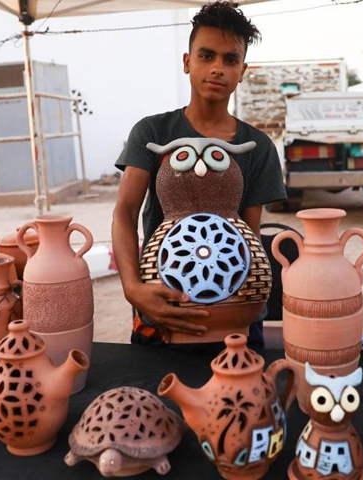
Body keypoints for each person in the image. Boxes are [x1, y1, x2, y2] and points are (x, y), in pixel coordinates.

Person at [112, 1, 286, 350]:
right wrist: (133, 288)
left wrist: (245, 300)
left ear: (242, 70)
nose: (217, 68)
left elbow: (249, 235)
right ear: (187, 62)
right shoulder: (152, 132)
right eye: (206, 56)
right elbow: (125, 213)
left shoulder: (258, 146)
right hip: (161, 308)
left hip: (235, 314)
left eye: (230, 60)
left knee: (238, 384)